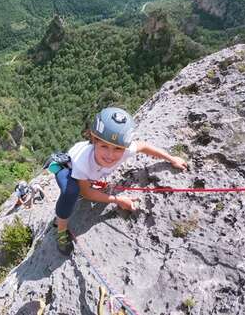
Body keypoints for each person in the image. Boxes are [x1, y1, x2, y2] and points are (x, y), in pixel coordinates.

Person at [50, 107, 188, 255]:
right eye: (104, 146)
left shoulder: (126, 149)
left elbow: (144, 146)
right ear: (94, 140)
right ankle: (60, 228)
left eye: (117, 149)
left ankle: (82, 187)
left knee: (83, 186)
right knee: (71, 192)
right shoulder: (82, 161)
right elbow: (87, 193)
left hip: (88, 175)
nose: (110, 155)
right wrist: (118, 200)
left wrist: (172, 159)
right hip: (67, 169)